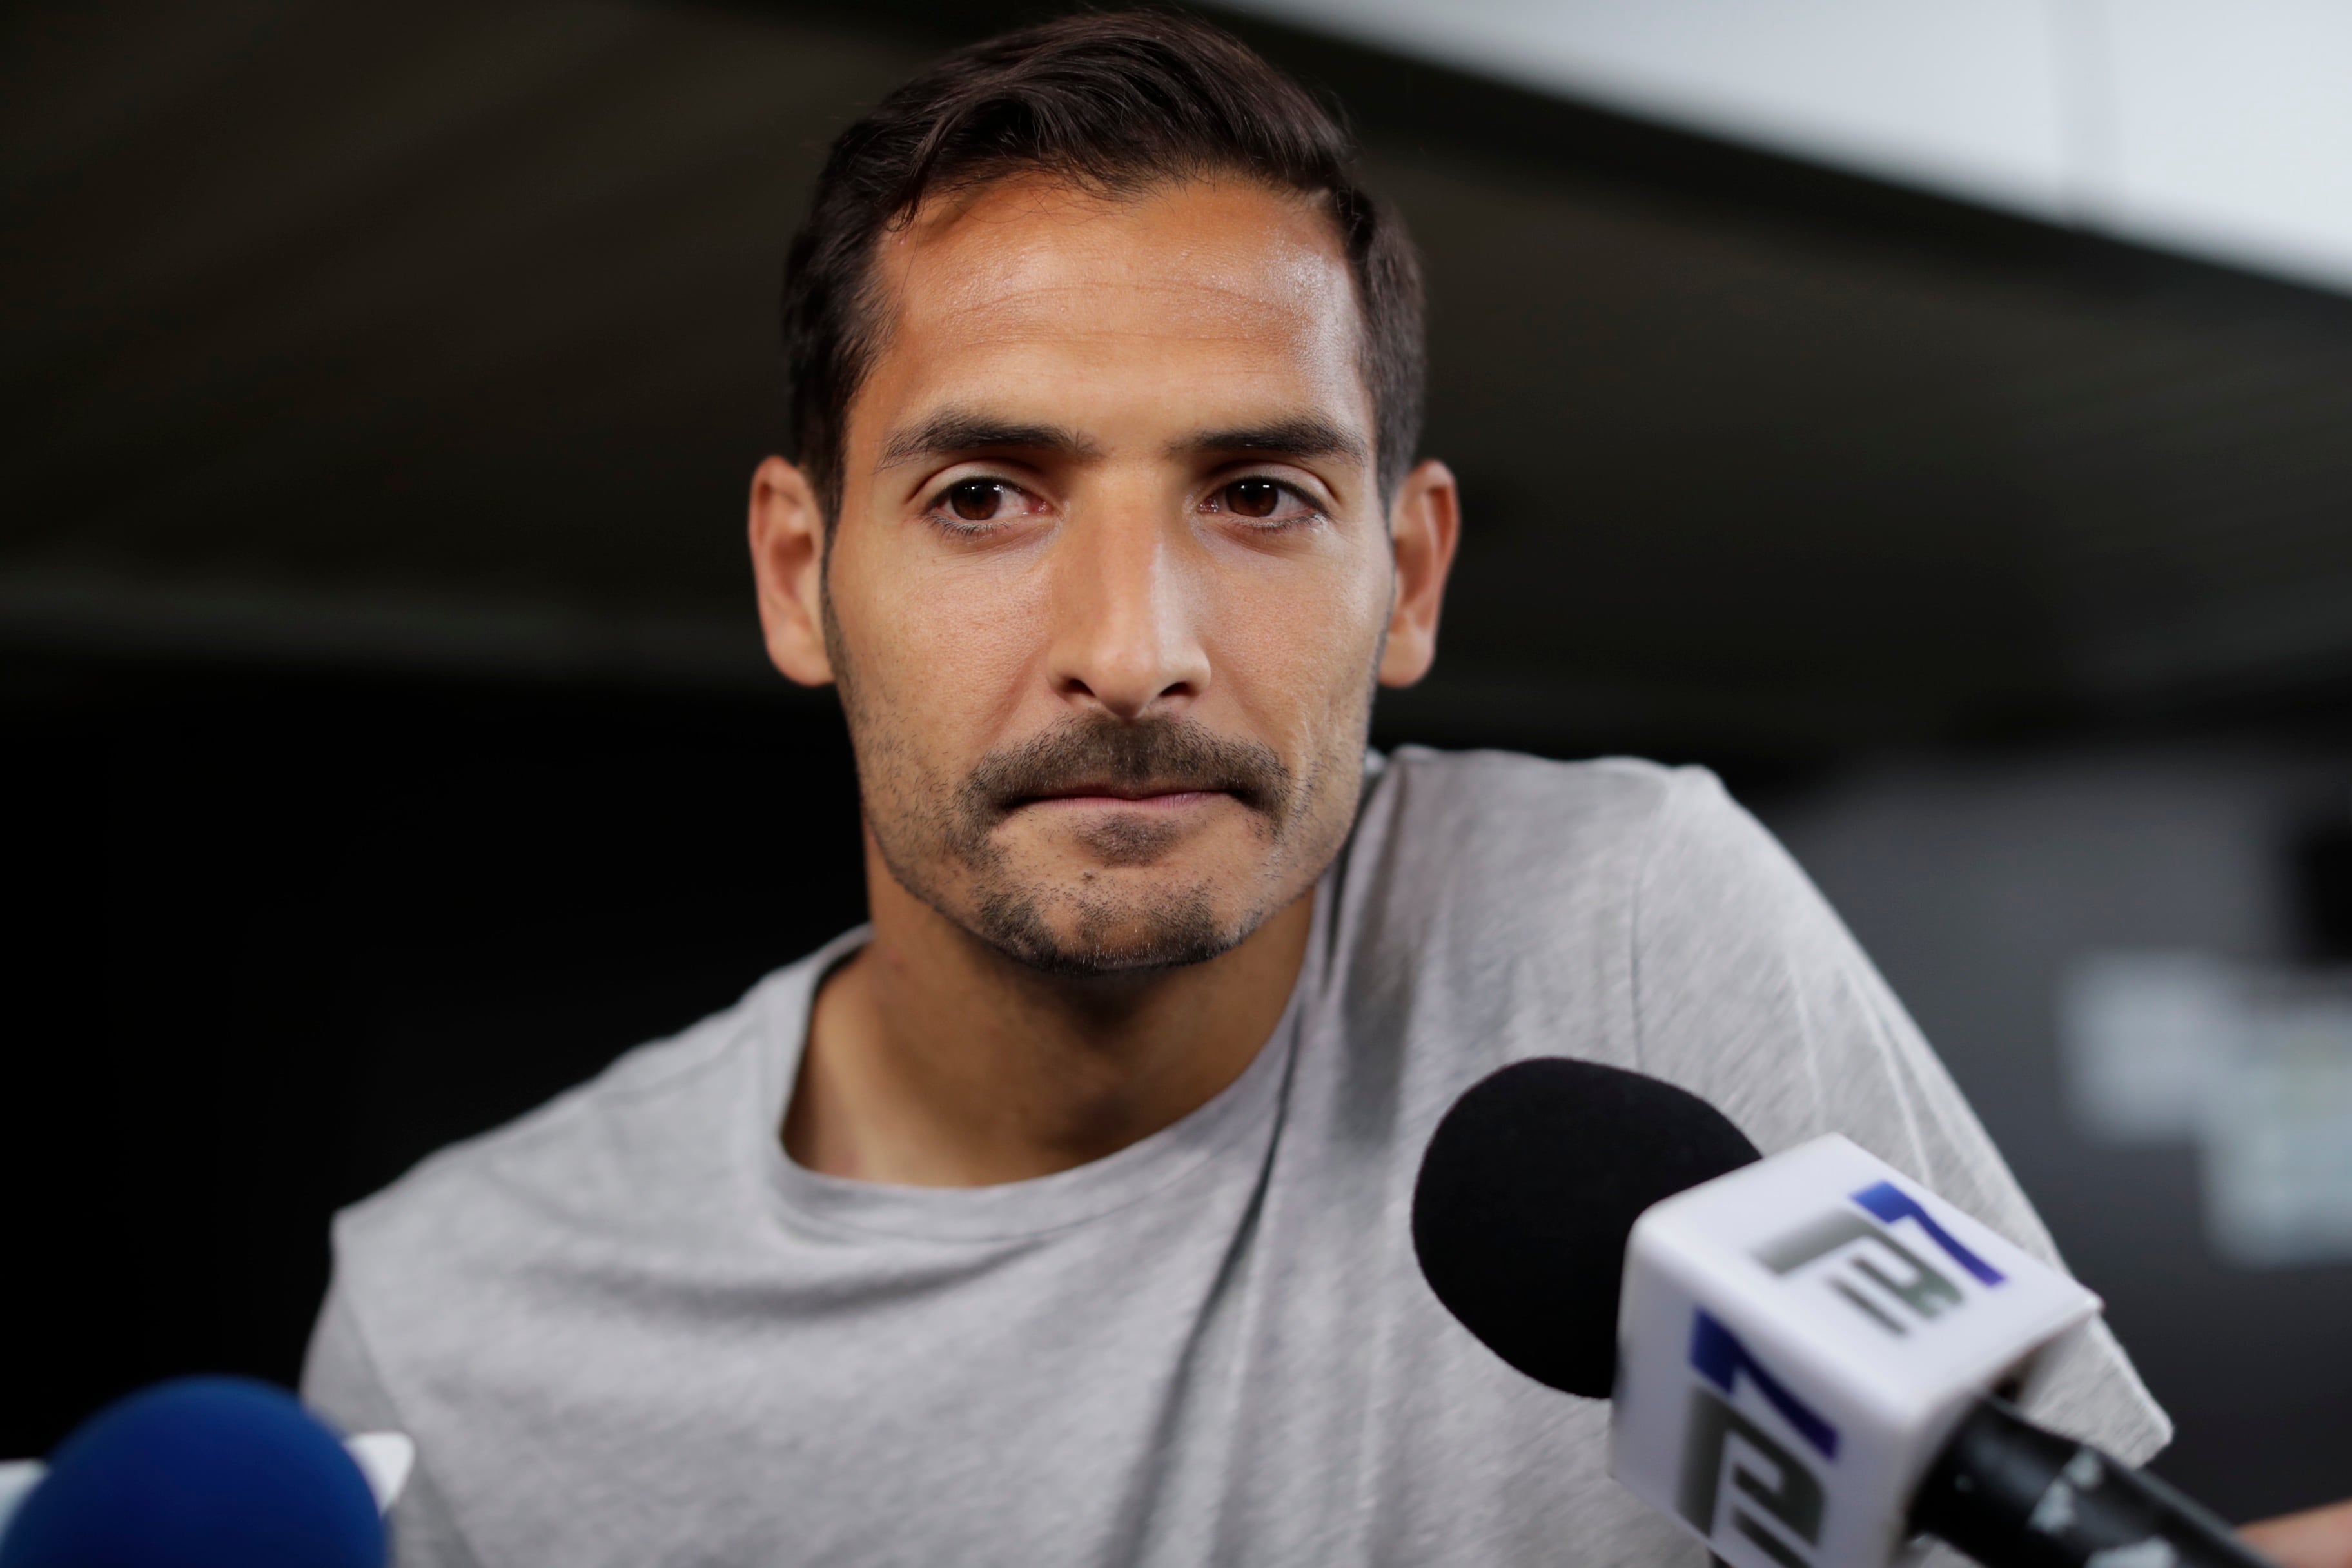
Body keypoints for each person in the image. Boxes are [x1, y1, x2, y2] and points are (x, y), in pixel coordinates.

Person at [300, 13, 2323, 1566]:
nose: (1134, 645)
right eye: (988, 495)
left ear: (1410, 575)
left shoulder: (1617, 920)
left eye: (1258, 494)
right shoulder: (464, 1324)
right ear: (800, 574)